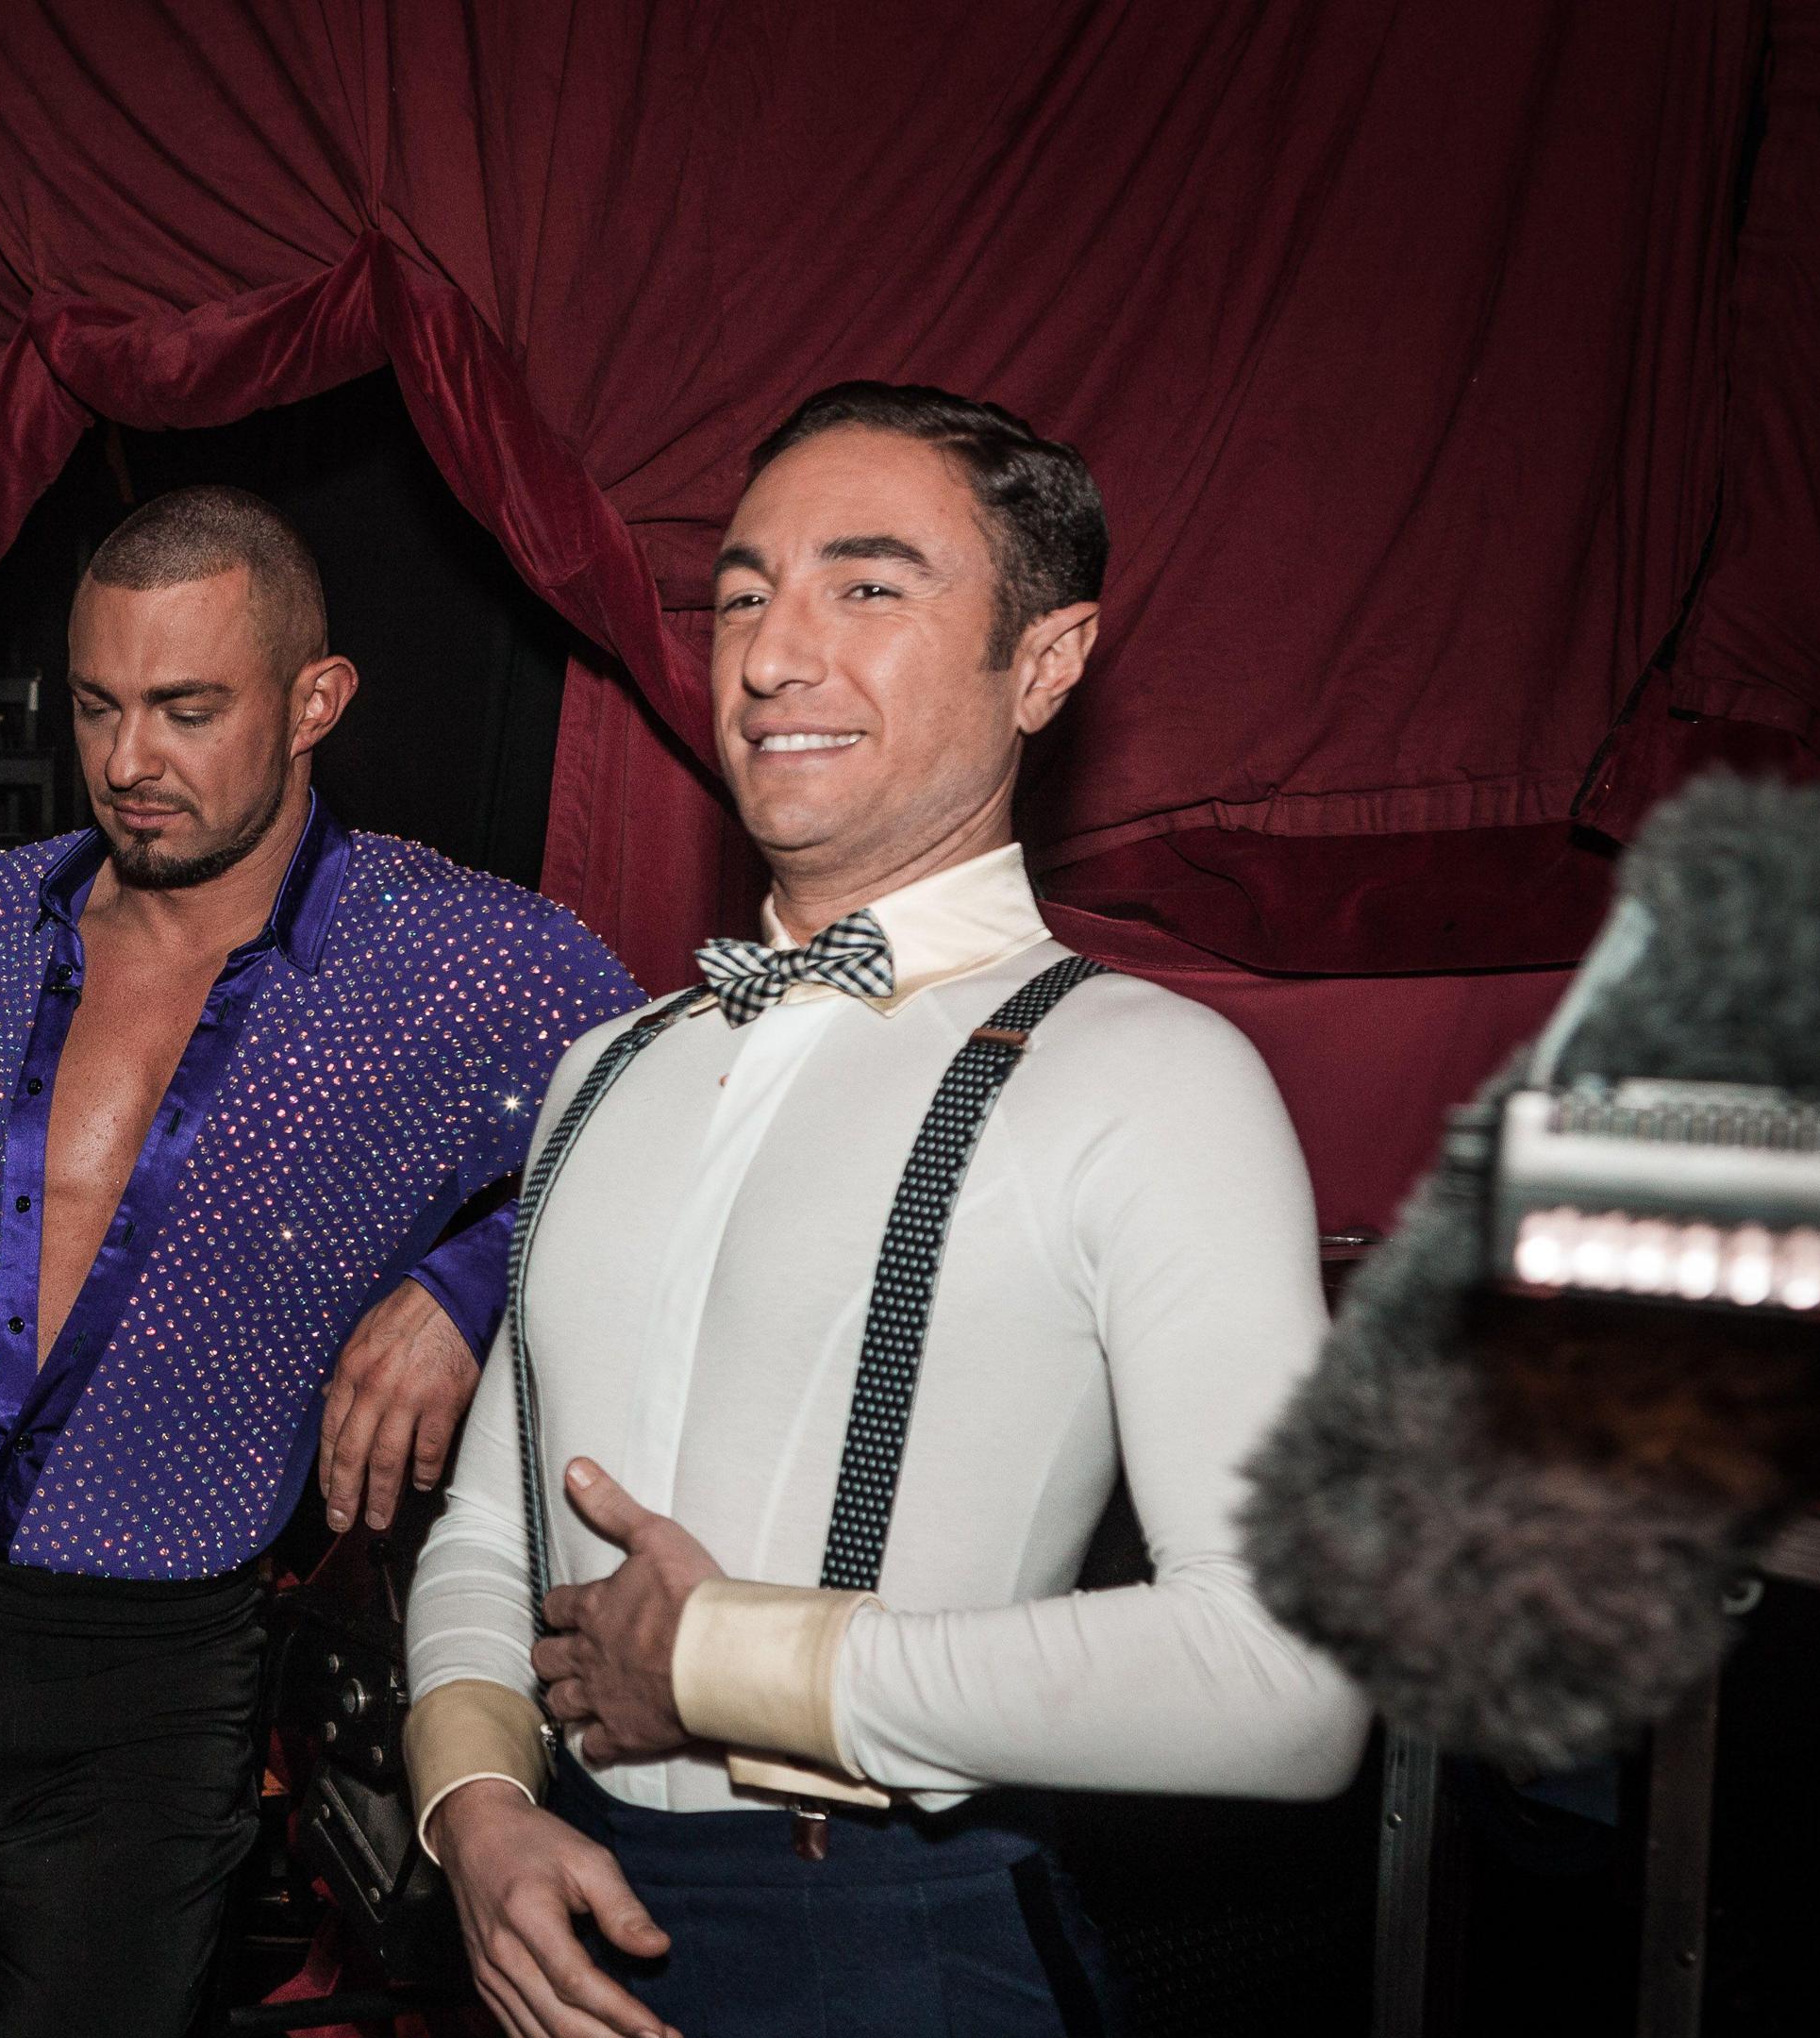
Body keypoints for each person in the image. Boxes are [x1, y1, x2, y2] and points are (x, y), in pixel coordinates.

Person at [404, 382, 1371, 2038]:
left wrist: (722, 1665)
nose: (776, 655)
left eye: (869, 587)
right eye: (744, 593)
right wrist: (475, 1809)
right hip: (554, 1917)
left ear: (1046, 664)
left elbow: (1293, 1680)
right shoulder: (605, 1066)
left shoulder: (1149, 1075)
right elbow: (492, 1529)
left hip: (894, 1941)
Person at [0, 485, 643, 2037]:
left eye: (186, 708)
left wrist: (465, 1286)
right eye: (99, 704)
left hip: (156, 1678)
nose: (126, 762)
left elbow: (655, 1129)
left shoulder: (461, 957)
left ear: (315, 702)